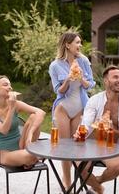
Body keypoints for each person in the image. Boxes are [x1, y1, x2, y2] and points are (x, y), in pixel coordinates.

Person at [74, 65, 119, 193]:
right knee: (79, 165)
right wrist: (80, 132)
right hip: (91, 143)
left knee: (117, 167)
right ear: (106, 81)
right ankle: (98, 189)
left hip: (111, 145)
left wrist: (114, 132)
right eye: (115, 77)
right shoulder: (94, 100)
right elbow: (86, 122)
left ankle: (98, 181)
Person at [48, 31, 96, 189]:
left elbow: (91, 84)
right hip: (63, 108)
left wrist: (81, 78)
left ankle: (81, 178)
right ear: (67, 45)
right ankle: (67, 181)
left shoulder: (83, 61)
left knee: (77, 145)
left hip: (79, 107)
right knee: (65, 146)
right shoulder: (55, 65)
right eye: (77, 42)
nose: (80, 45)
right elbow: (59, 91)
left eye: (80, 42)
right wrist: (68, 79)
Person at [0, 75, 46, 168]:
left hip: (22, 145)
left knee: (34, 116)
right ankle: (32, 157)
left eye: (10, 85)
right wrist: (11, 108)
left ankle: (31, 156)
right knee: (33, 155)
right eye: (5, 85)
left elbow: (41, 112)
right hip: (7, 154)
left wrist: (30, 135)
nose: (10, 87)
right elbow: (4, 130)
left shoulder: (16, 104)